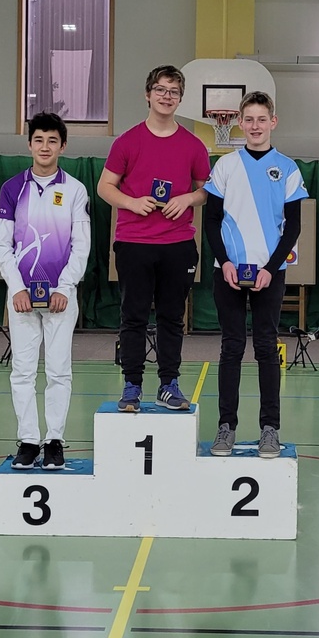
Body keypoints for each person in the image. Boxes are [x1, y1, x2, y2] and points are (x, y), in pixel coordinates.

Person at [98, 66, 210, 412]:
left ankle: (168, 384)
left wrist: (187, 199)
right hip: (134, 243)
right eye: (160, 89)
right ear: (148, 94)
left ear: (180, 98)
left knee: (171, 318)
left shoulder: (193, 145)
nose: (166, 96)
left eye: (173, 91)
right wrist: (132, 202)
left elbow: (206, 190)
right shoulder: (127, 141)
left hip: (177, 245)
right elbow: (105, 187)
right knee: (133, 316)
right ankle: (132, 385)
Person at [204, 91, 308, 459]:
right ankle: (226, 426)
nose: (255, 125)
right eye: (248, 119)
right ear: (239, 123)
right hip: (228, 273)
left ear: (272, 122)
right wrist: (225, 262)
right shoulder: (225, 166)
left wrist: (270, 268)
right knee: (231, 347)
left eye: (262, 119)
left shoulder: (288, 169)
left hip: (269, 275)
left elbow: (293, 227)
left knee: (266, 347)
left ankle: (270, 428)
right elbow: (211, 220)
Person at [0, 112, 91, 470]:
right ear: (29, 144)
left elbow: (81, 245)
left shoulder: (75, 190)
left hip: (61, 297)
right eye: (39, 140)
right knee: (22, 370)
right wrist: (17, 288)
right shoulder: (12, 188)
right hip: (21, 298)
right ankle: (28, 441)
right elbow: (2, 244)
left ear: (62, 146)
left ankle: (54, 441)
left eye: (52, 140)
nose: (45, 147)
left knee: (58, 370)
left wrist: (65, 287)